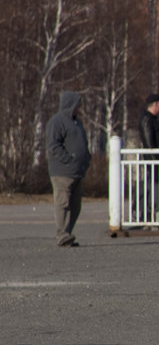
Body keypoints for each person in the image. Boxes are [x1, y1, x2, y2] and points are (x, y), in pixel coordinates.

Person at [45, 91, 91, 247]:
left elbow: (83, 143)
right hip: (62, 171)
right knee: (62, 203)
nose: (79, 107)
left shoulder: (77, 123)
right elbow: (53, 146)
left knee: (76, 206)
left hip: (78, 171)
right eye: (77, 104)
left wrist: (86, 159)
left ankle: (68, 232)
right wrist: (68, 159)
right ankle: (61, 234)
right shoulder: (56, 122)